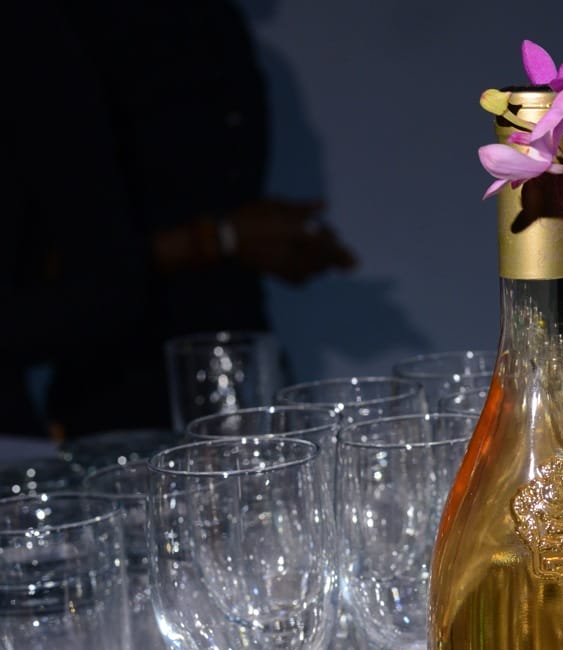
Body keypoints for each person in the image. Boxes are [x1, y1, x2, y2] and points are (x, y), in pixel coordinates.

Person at [0, 1, 355, 440]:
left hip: (240, 355)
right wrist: (221, 238)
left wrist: (277, 242)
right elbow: (75, 268)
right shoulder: (56, 30)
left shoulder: (219, 25)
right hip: (117, 390)